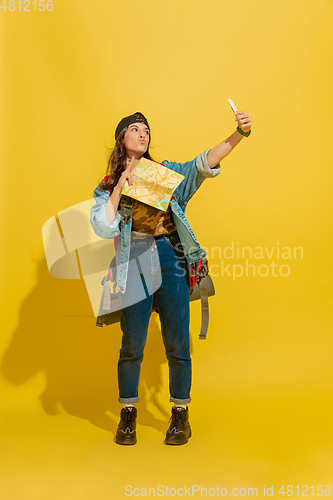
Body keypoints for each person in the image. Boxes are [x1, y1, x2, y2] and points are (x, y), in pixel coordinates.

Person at [90, 110, 252, 445]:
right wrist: (120, 186)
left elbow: (203, 164)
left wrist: (239, 133)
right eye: (134, 129)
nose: (142, 133)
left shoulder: (163, 173)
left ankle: (180, 414)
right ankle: (128, 415)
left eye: (146, 129)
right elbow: (103, 226)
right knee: (132, 341)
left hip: (170, 256)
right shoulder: (108, 185)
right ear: (122, 138)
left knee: (178, 341)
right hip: (133, 258)